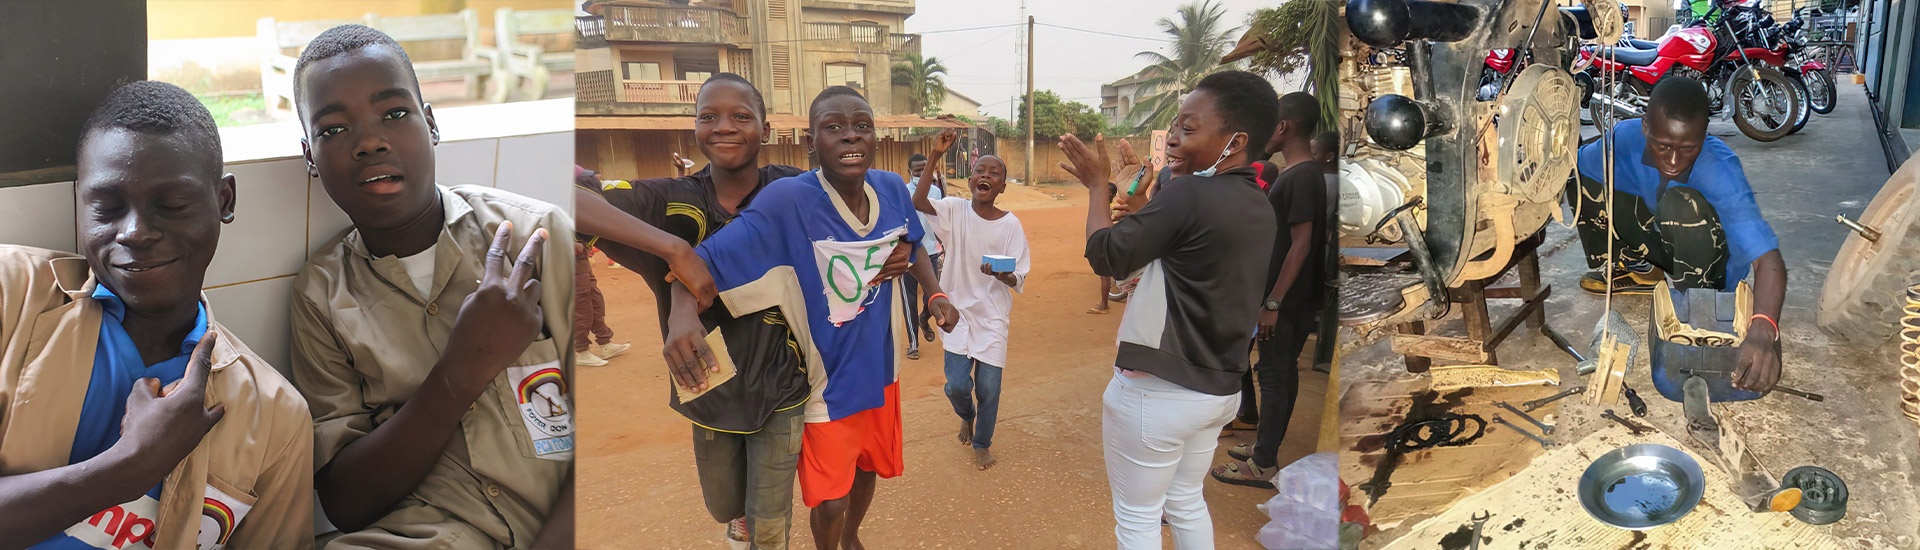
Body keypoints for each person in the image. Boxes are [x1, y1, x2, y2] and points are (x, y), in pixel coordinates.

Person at [285, 25, 575, 548]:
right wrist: (459, 373)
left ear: (431, 123)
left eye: (394, 114)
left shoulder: (538, 238)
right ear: (310, 156)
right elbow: (347, 505)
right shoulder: (323, 293)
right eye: (333, 129)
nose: (369, 141)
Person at [0, 80, 314, 550]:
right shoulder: (10, 296)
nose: (135, 232)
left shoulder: (273, 417)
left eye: (171, 205)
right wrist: (127, 469)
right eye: (107, 206)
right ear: (79, 202)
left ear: (224, 201)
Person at [662, 86, 957, 550]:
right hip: (827, 383)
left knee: (866, 470)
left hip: (883, 369)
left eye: (862, 125)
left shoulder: (890, 187)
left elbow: (912, 240)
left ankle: (852, 538)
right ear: (810, 143)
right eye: (833, 127)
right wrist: (682, 313)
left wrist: (935, 292)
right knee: (830, 499)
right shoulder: (788, 202)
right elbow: (702, 262)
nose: (849, 137)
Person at [571, 73, 812, 549]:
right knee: (724, 504)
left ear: (765, 129)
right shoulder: (669, 200)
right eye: (709, 117)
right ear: (694, 129)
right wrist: (675, 249)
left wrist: (902, 249)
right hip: (706, 382)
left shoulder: (791, 188)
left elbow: (862, 209)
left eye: (741, 117)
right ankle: (735, 519)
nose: (725, 127)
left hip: (785, 380)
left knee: (769, 521)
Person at [1059, 70, 1280, 549]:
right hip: (1216, 393)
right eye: (1175, 127)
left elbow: (1106, 255)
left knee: (1138, 518)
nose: (1174, 138)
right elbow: (1187, 256)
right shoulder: (1255, 202)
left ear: (1235, 140)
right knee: (1185, 500)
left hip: (1157, 395)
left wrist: (1099, 189)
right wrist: (1141, 205)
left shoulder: (1189, 193)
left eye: (1189, 127)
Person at [1573, 77, 1785, 393]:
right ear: (1645, 126)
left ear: (1704, 135)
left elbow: (1768, 261)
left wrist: (1763, 330)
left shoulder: (1720, 169)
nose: (1673, 160)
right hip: (1663, 235)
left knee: (1680, 204)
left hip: (1711, 261)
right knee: (1580, 182)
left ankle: (1698, 299)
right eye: (1663, 146)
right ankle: (1638, 269)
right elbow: (1576, 167)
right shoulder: (1624, 138)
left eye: (1688, 148)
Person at [1212, 92, 1329, 489]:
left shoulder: (1301, 176)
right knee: (1272, 371)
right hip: (1282, 298)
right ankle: (1263, 447)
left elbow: (1301, 244)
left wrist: (1273, 303)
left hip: (1287, 301)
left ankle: (1263, 463)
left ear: (1283, 127)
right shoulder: (1299, 173)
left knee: (1277, 375)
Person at [911, 130, 1032, 471]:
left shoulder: (1011, 225)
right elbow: (918, 202)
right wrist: (934, 157)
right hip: (956, 314)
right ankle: (966, 415)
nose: (986, 176)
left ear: (1003, 187)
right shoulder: (955, 210)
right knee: (958, 387)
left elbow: (1018, 275)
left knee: (989, 388)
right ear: (970, 179)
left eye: (994, 173)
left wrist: (1001, 274)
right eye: (980, 170)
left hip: (992, 316)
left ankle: (982, 441)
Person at [901, 153, 946, 360]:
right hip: (908, 256)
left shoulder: (936, 192)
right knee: (909, 300)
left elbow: (940, 221)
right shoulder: (902, 192)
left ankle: (924, 317)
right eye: (917, 170)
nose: (920, 173)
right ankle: (913, 343)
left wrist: (944, 241)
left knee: (932, 295)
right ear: (910, 172)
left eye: (923, 169)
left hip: (931, 252)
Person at [573, 233, 629, 367]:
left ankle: (605, 343)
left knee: (595, 302)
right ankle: (582, 351)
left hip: (581, 258)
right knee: (582, 307)